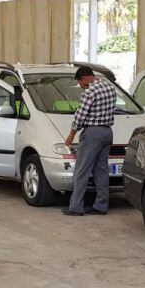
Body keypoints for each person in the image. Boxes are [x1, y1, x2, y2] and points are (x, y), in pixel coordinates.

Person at [62, 66, 116, 216]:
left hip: (92, 133)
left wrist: (72, 133)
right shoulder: (109, 87)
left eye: (80, 83)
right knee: (101, 170)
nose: (80, 86)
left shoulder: (90, 91)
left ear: (85, 78)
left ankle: (76, 207)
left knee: (81, 170)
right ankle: (101, 206)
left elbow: (81, 115)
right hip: (107, 132)